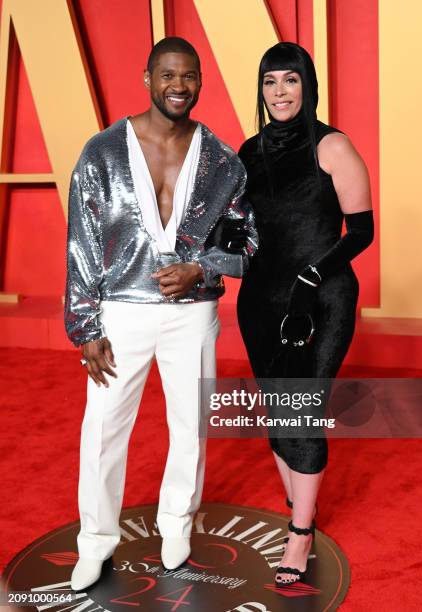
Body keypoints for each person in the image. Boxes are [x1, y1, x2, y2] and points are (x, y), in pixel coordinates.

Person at [64, 36, 257, 591]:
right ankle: (96, 542)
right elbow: (81, 239)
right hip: (119, 313)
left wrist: (202, 269)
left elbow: (251, 245)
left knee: (190, 430)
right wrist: (86, 325)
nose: (179, 86)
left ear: (200, 82)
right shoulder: (101, 151)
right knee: (101, 431)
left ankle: (178, 527)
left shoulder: (222, 160)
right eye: (168, 75)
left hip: (192, 314)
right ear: (147, 77)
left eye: (189, 76)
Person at [237, 42, 374, 586]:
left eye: (290, 81)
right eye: (270, 82)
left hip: (321, 298)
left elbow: (360, 232)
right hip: (260, 300)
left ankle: (300, 533)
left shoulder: (334, 146)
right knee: (278, 409)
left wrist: (312, 276)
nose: (279, 92)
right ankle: (302, 505)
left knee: (301, 409)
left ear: (307, 85)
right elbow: (245, 227)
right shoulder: (247, 152)